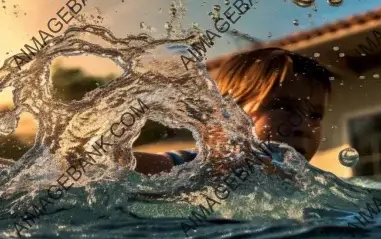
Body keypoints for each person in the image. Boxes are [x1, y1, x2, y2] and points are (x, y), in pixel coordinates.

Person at [133, 47, 333, 175]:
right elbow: (125, 166)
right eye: (283, 107)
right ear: (228, 115)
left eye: (315, 115)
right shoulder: (208, 165)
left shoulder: (310, 183)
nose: (303, 125)